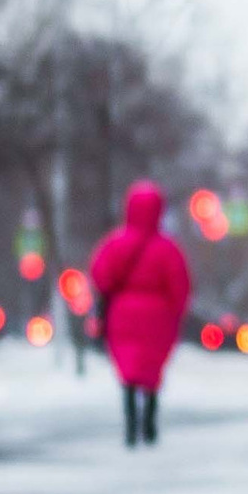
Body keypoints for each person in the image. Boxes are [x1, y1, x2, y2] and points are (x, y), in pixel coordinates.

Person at [86, 181, 193, 448]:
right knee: (152, 369)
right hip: (158, 317)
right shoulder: (168, 249)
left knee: (129, 370)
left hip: (123, 315)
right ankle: (149, 421)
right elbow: (180, 285)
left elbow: (100, 275)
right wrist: (175, 314)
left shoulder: (115, 244)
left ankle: (131, 423)